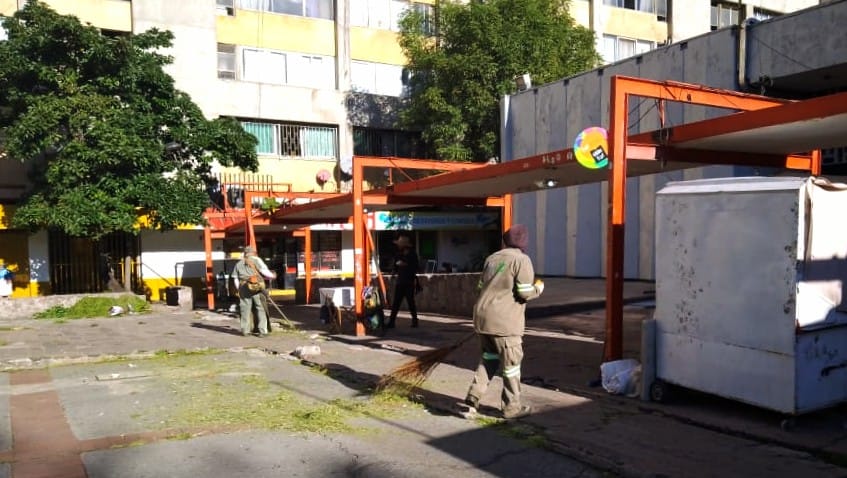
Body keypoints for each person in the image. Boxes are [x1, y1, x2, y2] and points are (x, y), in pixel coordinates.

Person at [463, 224, 544, 420]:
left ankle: (473, 396)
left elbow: (481, 286)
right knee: (512, 365)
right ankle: (511, 408)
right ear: (524, 243)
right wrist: (538, 288)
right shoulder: (522, 260)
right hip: (505, 323)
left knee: (489, 359)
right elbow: (524, 292)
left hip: (483, 319)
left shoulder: (492, 258)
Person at [233, 246, 276, 337]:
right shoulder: (256, 260)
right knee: (260, 308)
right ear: (252, 253)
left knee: (245, 310)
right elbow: (264, 271)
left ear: (245, 253)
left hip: (244, 288)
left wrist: (239, 289)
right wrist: (272, 276)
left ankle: (245, 331)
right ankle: (262, 331)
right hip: (256, 288)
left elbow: (235, 278)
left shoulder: (238, 263)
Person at [386, 234, 420, 328]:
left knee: (410, 302)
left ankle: (415, 320)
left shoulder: (412, 254)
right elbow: (395, 267)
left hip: (409, 281)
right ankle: (392, 322)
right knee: (396, 302)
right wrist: (393, 271)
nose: (398, 246)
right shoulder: (398, 254)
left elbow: (416, 267)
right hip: (400, 281)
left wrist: (406, 264)